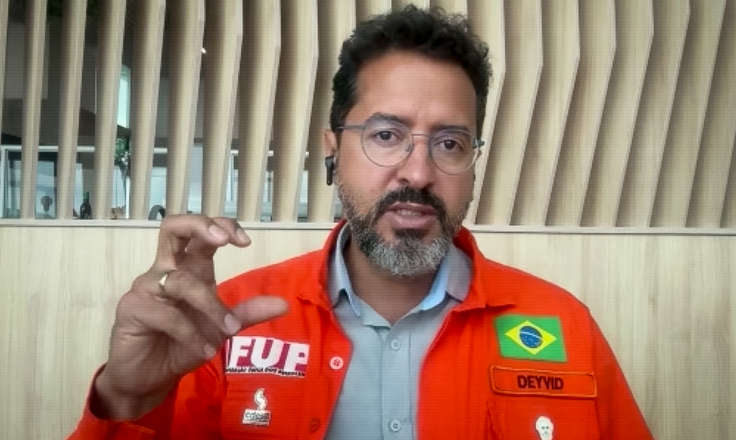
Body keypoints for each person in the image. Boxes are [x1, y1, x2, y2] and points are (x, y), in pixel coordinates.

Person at [67, 6, 654, 440]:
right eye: (386, 135)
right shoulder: (226, 323)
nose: (418, 171)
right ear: (333, 150)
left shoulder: (562, 325)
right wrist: (126, 399)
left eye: (450, 142)